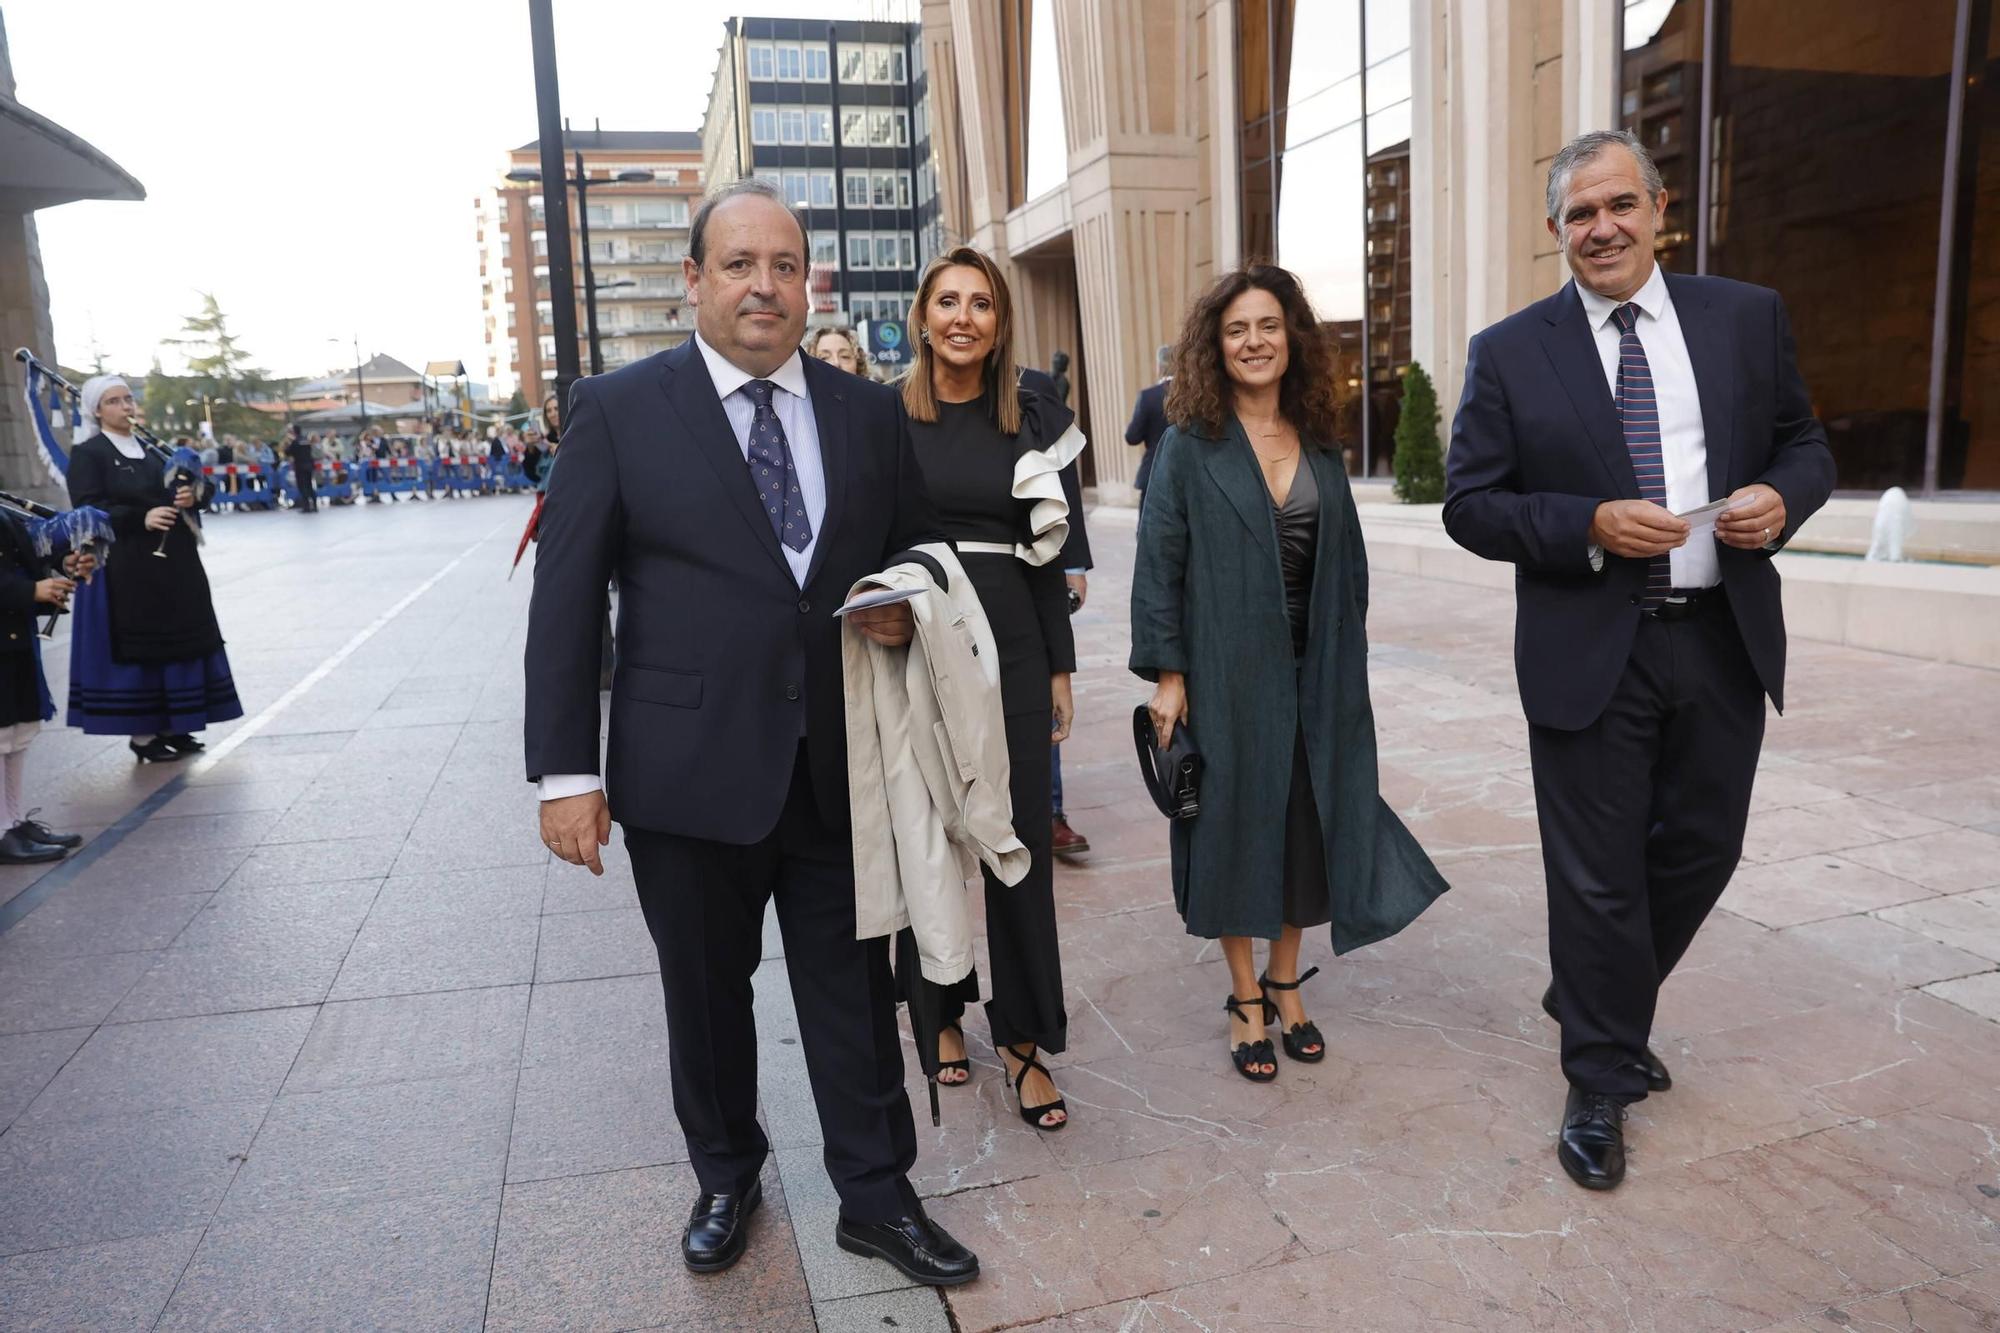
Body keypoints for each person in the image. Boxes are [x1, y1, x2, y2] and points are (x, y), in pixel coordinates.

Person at [525, 178, 978, 1286]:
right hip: (684, 776)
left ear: (806, 280)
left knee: (854, 994)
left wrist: (900, 597)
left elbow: (919, 550)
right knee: (704, 994)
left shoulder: (867, 414)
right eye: (739, 264)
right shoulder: (620, 409)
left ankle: (875, 1194)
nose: (764, 286)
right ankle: (726, 1172)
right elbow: (567, 599)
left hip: (836, 769)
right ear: (694, 281)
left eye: (784, 265)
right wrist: (564, 774)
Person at [1442, 130, 1836, 1192]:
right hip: (1588, 649)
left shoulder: (1743, 317)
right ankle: (1600, 1073)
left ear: (1659, 209)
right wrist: (1586, 524)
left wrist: (1779, 498)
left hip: (1718, 635)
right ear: (1553, 233)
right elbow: (1468, 505)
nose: (1600, 228)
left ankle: (1588, 992)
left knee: (1704, 844)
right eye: (1578, 215)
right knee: (1595, 877)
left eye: (1618, 206)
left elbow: (1805, 444)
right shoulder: (1510, 349)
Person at [1130, 265, 1448, 1083]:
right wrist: (1170, 675)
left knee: (1308, 828)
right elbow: (1159, 563)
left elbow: (1349, 567)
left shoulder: (1320, 442)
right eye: (1236, 329)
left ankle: (1285, 982)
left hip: (1321, 674)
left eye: (1267, 326)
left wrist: (1350, 658)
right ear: (1215, 345)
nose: (1253, 342)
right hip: (1226, 670)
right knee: (1234, 826)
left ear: (1292, 337)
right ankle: (1244, 997)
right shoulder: (1188, 445)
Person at [902, 247, 1082, 1131]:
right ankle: (937, 1010)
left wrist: (1058, 667)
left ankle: (1024, 1040)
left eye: (980, 303)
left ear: (1000, 322)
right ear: (923, 316)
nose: (963, 317)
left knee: (1015, 843)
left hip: (1008, 632)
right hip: (919, 637)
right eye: (948, 302)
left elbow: (1049, 559)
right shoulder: (885, 413)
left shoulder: (1030, 414)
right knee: (928, 835)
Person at [65, 376, 244, 762]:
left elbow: (202, 488)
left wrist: (193, 493)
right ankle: (143, 735)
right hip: (128, 567)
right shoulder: (90, 453)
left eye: (128, 399)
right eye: (114, 401)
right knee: (144, 647)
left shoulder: (153, 449)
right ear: (97, 410)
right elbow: (85, 507)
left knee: (181, 642)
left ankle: (176, 725)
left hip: (176, 565)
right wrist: (139, 518)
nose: (125, 407)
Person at [0, 507, 93, 863]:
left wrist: (60, 570)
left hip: (13, 635)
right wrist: (30, 590)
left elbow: (18, 558)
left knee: (16, 732)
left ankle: (13, 821)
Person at [1127, 344, 1174, 498]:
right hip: (1189, 476)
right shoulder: (1195, 396)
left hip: (1153, 474)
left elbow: (1132, 437)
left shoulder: (1148, 397)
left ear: (1159, 366)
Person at [284, 424, 316, 512]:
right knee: (309, 486)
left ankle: (306, 507)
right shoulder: (306, 440)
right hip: (309, 465)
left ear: (294, 432)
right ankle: (315, 506)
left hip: (300, 467)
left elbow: (288, 452)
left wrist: (288, 444)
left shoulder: (295, 441)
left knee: (302, 487)